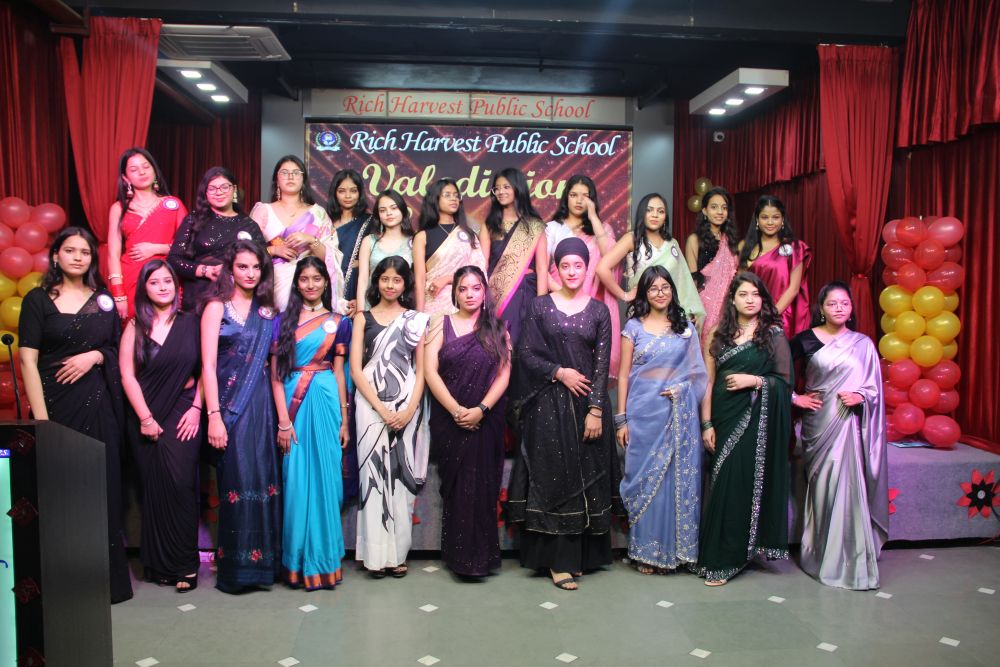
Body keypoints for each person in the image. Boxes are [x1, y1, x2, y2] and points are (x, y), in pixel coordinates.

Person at [18, 227, 133, 603]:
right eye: (70, 250)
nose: (78, 257)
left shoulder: (103, 300)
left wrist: (96, 356)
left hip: (99, 405)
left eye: (85, 252)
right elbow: (28, 361)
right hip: (55, 406)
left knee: (101, 488)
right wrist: (42, 422)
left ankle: (106, 583)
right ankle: (63, 584)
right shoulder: (38, 300)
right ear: (56, 256)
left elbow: (117, 349)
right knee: (60, 492)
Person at [506, 237, 624, 591]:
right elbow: (526, 353)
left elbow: (601, 366)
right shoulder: (540, 306)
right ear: (556, 269)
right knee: (555, 480)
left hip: (586, 406)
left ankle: (579, 558)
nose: (572, 272)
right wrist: (559, 372)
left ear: (587, 269)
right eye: (565, 265)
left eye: (578, 265)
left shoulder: (599, 311)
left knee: (586, 478)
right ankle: (558, 562)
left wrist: (596, 409)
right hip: (547, 407)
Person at [697, 272, 791, 586]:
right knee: (721, 482)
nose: (750, 300)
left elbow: (784, 383)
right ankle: (718, 552)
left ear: (763, 299)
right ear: (732, 300)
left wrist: (756, 381)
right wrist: (706, 423)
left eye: (755, 294)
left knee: (738, 483)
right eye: (743, 294)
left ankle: (730, 558)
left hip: (754, 418)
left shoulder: (773, 334)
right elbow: (707, 382)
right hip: (722, 417)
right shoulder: (717, 333)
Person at [791, 281, 887, 590]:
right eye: (832, 303)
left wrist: (861, 396)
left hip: (850, 427)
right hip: (818, 427)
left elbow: (875, 389)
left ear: (851, 308)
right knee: (823, 489)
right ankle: (819, 554)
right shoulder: (805, 340)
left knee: (848, 486)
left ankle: (852, 559)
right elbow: (777, 372)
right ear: (821, 308)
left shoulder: (863, 344)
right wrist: (795, 398)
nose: (839, 308)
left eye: (845, 303)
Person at [200, 240, 281, 593]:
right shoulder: (216, 307)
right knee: (236, 479)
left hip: (261, 404)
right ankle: (237, 569)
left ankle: (264, 567)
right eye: (242, 266)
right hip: (228, 406)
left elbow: (275, 368)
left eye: (256, 267)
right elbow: (207, 365)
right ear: (230, 270)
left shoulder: (268, 313)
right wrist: (214, 416)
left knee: (263, 478)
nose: (249, 273)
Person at [615, 266, 707, 574]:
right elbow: (624, 375)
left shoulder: (685, 328)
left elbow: (697, 374)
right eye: (653, 288)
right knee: (644, 482)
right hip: (642, 413)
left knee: (671, 481)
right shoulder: (633, 327)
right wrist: (621, 419)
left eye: (665, 287)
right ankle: (646, 552)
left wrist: (681, 390)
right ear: (644, 293)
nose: (660, 293)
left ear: (673, 290)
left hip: (676, 413)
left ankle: (672, 552)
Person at [119, 260, 202, 592]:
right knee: (152, 489)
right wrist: (145, 418)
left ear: (176, 286)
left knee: (181, 484)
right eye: (154, 282)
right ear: (144, 288)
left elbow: (207, 369)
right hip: (144, 414)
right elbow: (127, 375)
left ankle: (185, 565)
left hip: (183, 412)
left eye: (167, 281)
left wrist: (197, 408)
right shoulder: (135, 325)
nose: (163, 287)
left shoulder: (192, 322)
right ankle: (158, 565)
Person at [271, 257, 352, 590]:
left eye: (317, 279)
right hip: (293, 405)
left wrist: (345, 420)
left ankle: (324, 562)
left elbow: (340, 373)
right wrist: (283, 421)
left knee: (327, 482)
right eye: (304, 279)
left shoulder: (339, 322)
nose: (311, 285)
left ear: (326, 282)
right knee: (295, 482)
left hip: (327, 402)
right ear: (296, 283)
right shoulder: (281, 322)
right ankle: (297, 562)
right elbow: (275, 377)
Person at [424, 266, 510, 578]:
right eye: (463, 288)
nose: (470, 294)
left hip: (487, 420)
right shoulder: (440, 323)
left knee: (482, 488)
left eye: (476, 288)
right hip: (449, 419)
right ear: (455, 293)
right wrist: (457, 410)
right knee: (458, 489)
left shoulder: (498, 328)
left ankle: (481, 559)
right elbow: (430, 371)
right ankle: (459, 558)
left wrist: (481, 410)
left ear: (484, 291)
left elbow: (504, 374)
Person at [351, 256, 429, 578]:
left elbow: (421, 370)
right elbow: (356, 370)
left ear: (405, 284)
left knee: (399, 483)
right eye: (385, 279)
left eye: (397, 279)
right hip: (369, 407)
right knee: (372, 480)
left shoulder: (415, 320)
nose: (390, 285)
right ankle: (374, 556)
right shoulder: (362, 318)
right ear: (376, 282)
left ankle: (397, 555)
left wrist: (409, 410)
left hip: (406, 406)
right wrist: (381, 410)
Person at [545, 175, 621, 377]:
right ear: (566, 197)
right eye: (574, 195)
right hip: (559, 303)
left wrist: (594, 217)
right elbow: (542, 269)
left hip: (591, 307)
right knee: (561, 363)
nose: (579, 200)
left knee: (590, 367)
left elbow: (609, 257)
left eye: (585, 196)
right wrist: (564, 294)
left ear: (592, 200)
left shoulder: (602, 229)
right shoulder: (553, 228)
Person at [596, 192, 705, 326]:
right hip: (642, 312)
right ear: (642, 213)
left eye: (660, 211)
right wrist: (625, 295)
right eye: (649, 210)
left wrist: (689, 309)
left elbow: (682, 281)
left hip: (671, 314)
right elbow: (602, 268)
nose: (655, 215)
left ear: (665, 217)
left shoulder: (672, 244)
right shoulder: (632, 239)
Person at [251, 155, 342, 312]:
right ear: (276, 179)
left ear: (303, 179)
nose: (290, 176)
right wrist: (273, 250)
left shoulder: (318, 213)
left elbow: (331, 257)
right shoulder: (263, 211)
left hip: (308, 286)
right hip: (272, 284)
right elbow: (246, 252)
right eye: (285, 172)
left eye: (296, 172)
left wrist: (311, 240)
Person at [168, 166, 266, 312]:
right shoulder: (194, 220)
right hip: (198, 298)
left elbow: (264, 263)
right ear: (205, 193)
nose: (219, 192)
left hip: (238, 300)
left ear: (234, 189)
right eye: (212, 188)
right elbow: (174, 259)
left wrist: (233, 270)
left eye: (224, 187)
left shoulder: (249, 225)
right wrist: (205, 270)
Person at [107, 148, 187, 318]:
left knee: (168, 325)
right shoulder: (119, 208)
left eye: (146, 166)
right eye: (134, 169)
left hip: (166, 277)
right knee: (132, 325)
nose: (142, 172)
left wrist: (156, 248)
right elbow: (112, 254)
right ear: (125, 177)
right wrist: (118, 293)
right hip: (131, 277)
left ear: (154, 170)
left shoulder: (173, 204)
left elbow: (188, 246)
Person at [481, 167, 547, 347]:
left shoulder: (534, 225)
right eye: (497, 188)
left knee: (525, 345)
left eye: (506, 187)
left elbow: (542, 268)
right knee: (499, 346)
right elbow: (483, 264)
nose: (501, 192)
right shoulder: (489, 225)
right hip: (497, 293)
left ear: (518, 188)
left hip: (527, 292)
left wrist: (540, 306)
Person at [739, 195, 812, 338]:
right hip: (749, 315)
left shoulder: (794, 247)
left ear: (783, 219)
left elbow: (794, 289)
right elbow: (739, 284)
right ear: (757, 220)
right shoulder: (745, 246)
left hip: (781, 317)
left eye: (775, 217)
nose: (770, 222)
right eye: (765, 217)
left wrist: (769, 317)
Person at [413, 178, 486, 315]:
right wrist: (419, 316)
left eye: (456, 195)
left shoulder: (468, 235)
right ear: (435, 199)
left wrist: (447, 279)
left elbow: (479, 273)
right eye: (447, 195)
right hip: (433, 306)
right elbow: (420, 280)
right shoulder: (422, 237)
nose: (453, 199)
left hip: (465, 305)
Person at [685, 187, 740, 346]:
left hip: (728, 306)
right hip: (703, 306)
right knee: (705, 347)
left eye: (724, 208)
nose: (720, 212)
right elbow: (692, 281)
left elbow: (736, 276)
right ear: (704, 210)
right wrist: (693, 311)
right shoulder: (695, 240)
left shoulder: (731, 241)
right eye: (714, 207)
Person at [326, 168, 373, 318]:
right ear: (335, 193)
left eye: (353, 191)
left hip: (356, 284)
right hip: (328, 285)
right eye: (342, 191)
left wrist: (364, 263)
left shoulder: (369, 222)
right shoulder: (325, 222)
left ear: (360, 193)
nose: (348, 196)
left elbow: (379, 258)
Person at [356, 190, 414, 309]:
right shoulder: (369, 241)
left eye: (394, 208)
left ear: (403, 210)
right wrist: (360, 312)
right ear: (378, 215)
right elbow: (363, 279)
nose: (389, 213)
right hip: (371, 306)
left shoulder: (413, 242)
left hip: (403, 308)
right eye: (383, 210)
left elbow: (418, 279)